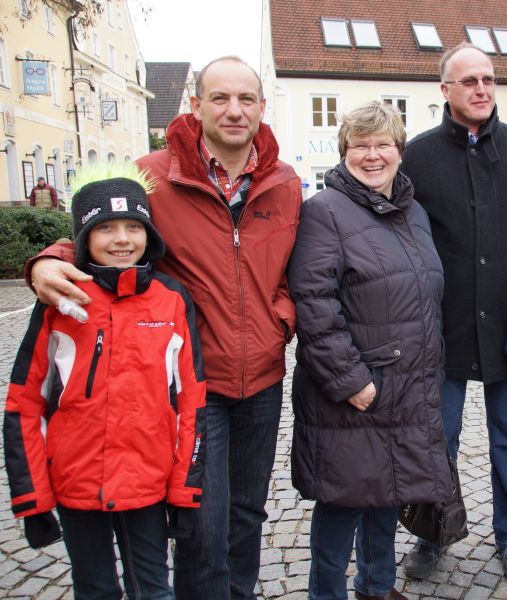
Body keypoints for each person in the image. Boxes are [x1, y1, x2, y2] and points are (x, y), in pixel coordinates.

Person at [26, 56, 302, 600]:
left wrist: (281, 320)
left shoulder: (284, 182)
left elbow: (294, 271)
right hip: (194, 384)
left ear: (261, 107)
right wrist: (47, 260)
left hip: (263, 378)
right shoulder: (152, 174)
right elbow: (100, 230)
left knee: (248, 513)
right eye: (220, 98)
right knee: (203, 520)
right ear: (196, 106)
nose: (234, 110)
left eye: (246, 99)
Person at [4, 163, 206, 599]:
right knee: (94, 589)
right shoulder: (59, 300)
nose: (121, 239)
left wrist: (185, 485)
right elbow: (25, 400)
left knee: (153, 589)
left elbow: (190, 400)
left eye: (133, 227)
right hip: (76, 480)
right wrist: (31, 494)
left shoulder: (171, 299)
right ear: (84, 236)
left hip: (147, 481)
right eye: (106, 227)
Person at [399, 42, 507, 581]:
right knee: (438, 439)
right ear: (445, 90)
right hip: (441, 328)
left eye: (489, 79)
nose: (482, 89)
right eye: (469, 81)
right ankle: (432, 533)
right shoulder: (418, 155)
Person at [288, 101, 451, 600]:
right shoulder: (324, 212)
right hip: (357, 392)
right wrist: (351, 381)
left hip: (406, 387)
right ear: (344, 152)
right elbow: (314, 303)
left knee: (388, 494)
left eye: (383, 144)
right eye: (361, 145)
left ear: (399, 151)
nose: (373, 155)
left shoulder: (413, 212)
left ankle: (376, 588)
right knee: (343, 504)